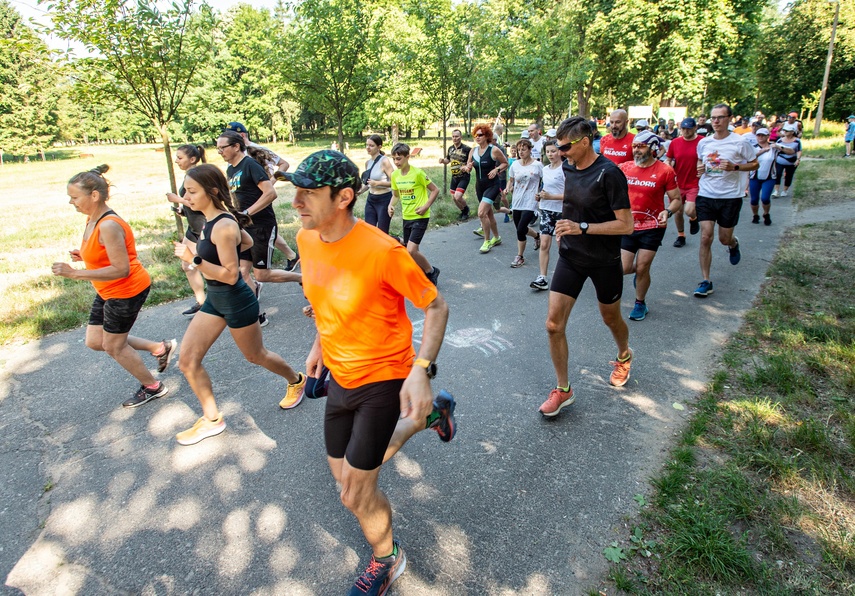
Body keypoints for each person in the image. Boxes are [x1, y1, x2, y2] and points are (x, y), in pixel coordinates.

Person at [282, 150, 454, 596]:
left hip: (384, 379)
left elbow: (435, 306)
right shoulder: (306, 238)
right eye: (294, 191)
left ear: (343, 196)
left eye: (308, 193)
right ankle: (426, 417)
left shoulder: (383, 251)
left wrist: (421, 369)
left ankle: (388, 559)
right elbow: (323, 297)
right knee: (344, 477)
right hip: (340, 376)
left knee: (353, 495)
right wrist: (319, 342)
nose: (296, 201)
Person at [171, 165, 307, 445]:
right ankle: (211, 420)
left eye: (192, 191)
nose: (187, 196)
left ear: (212, 191)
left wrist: (194, 257)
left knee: (256, 355)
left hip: (235, 299)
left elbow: (231, 276)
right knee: (187, 361)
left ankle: (297, 380)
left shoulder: (222, 225)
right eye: (186, 190)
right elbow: (245, 240)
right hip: (215, 300)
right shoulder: (212, 220)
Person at [52, 165, 177, 409]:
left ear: (94, 196)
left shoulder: (108, 224)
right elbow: (106, 254)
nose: (71, 202)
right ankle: (159, 348)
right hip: (107, 290)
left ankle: (153, 386)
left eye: (74, 197)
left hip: (126, 290)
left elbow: (122, 269)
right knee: (94, 341)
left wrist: (74, 273)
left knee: (113, 345)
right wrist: (85, 256)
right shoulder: (93, 218)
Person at [540, 117, 634, 418]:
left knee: (610, 317)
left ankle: (624, 355)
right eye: (558, 146)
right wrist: (563, 229)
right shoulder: (569, 167)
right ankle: (563, 389)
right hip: (572, 255)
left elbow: (626, 225)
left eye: (565, 146)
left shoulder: (610, 174)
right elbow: (573, 201)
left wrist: (581, 226)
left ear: (584, 142)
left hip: (604, 260)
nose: (561, 151)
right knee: (553, 324)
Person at [218, 131, 301, 327]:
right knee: (242, 270)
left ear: (236, 147)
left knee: (262, 274)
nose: (219, 151)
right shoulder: (231, 169)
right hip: (245, 228)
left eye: (223, 147)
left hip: (261, 226)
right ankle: (257, 314)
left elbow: (270, 193)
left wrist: (247, 212)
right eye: (218, 148)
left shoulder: (250, 165)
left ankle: (303, 278)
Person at [693, 103, 758, 298]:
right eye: (713, 118)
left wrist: (735, 167)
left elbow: (755, 163)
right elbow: (699, 160)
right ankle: (706, 280)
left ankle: (733, 244)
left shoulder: (740, 142)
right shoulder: (704, 142)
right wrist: (700, 169)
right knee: (705, 237)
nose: (716, 121)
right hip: (706, 194)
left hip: (730, 196)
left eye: (720, 117)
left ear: (729, 119)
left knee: (723, 238)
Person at [618, 131, 681, 321]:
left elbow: (676, 199)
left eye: (641, 146)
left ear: (653, 148)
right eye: (634, 146)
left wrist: (668, 211)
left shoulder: (665, 171)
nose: (636, 150)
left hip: (652, 225)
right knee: (624, 267)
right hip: (628, 225)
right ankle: (641, 275)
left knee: (643, 265)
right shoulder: (624, 168)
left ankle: (640, 302)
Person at [225, 121, 300, 269]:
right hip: (245, 202)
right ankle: (292, 256)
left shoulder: (256, 150)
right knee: (261, 232)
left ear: (241, 136)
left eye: (229, 136)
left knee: (263, 228)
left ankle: (290, 258)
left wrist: (270, 182)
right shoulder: (232, 156)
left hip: (261, 197)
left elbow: (283, 164)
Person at [388, 143, 441, 285]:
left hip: (420, 216)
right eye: (394, 159)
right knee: (411, 250)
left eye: (399, 158)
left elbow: (435, 190)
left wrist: (425, 206)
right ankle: (421, 273)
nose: (396, 162)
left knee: (411, 250)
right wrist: (390, 206)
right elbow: (395, 195)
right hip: (407, 216)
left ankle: (431, 271)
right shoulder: (395, 175)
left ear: (408, 157)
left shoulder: (418, 173)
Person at [166, 144, 208, 317]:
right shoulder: (188, 176)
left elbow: (201, 201)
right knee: (187, 265)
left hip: (205, 227)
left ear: (192, 159)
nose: (176, 161)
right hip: (193, 228)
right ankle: (202, 302)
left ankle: (241, 291)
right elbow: (191, 205)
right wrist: (183, 211)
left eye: (180, 157)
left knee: (207, 265)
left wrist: (177, 199)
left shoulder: (198, 176)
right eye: (176, 157)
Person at [461, 124, 509, 253]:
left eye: (480, 135)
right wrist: (467, 168)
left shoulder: (493, 150)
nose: (477, 137)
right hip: (479, 186)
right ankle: (497, 237)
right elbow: (468, 166)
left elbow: (505, 163)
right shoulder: (473, 151)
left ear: (487, 136)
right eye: (475, 135)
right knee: (489, 214)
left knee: (481, 212)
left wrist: (496, 169)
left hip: (493, 185)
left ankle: (487, 241)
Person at [503, 138, 542, 268]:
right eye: (519, 150)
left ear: (530, 150)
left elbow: (545, 181)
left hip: (531, 201)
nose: (521, 152)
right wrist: (508, 187)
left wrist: (542, 193)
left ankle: (519, 256)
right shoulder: (515, 165)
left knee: (520, 229)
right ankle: (537, 236)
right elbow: (511, 180)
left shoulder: (537, 165)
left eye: (524, 149)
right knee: (521, 228)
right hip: (517, 201)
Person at [530, 140, 564, 291]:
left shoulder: (566, 169)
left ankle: (565, 275)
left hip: (562, 211)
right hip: (546, 210)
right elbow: (545, 188)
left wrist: (551, 196)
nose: (550, 154)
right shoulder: (545, 169)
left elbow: (572, 194)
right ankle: (542, 277)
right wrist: (540, 195)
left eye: (554, 151)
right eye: (548, 152)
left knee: (561, 245)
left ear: (560, 152)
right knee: (544, 244)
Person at [666, 118, 702, 247]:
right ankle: (681, 235)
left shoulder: (702, 141)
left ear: (695, 128)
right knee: (678, 211)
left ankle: (693, 218)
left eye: (689, 128)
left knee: (689, 210)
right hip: (678, 182)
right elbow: (668, 159)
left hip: (694, 182)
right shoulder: (675, 142)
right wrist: (668, 166)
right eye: (683, 128)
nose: (686, 131)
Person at [357, 134, 395, 233]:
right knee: (370, 232)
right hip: (371, 200)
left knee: (382, 233)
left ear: (379, 147)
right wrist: (359, 192)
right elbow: (368, 183)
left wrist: (378, 183)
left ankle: (400, 241)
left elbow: (395, 182)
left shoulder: (384, 161)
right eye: (367, 145)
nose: (368, 148)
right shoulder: (367, 163)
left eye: (371, 145)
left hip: (384, 200)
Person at [438, 129, 472, 220]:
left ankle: (466, 209)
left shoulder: (467, 149)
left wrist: (467, 167)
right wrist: (442, 161)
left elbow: (471, 163)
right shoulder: (450, 148)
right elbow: (447, 160)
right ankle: (463, 212)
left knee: (458, 196)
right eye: (453, 136)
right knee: (454, 198)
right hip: (454, 177)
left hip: (464, 176)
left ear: (461, 137)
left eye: (457, 136)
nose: (455, 138)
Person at [748, 128, 777, 226]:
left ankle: (766, 213)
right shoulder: (753, 147)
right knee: (754, 199)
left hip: (769, 177)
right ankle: (755, 215)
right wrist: (763, 151)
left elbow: (791, 151)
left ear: (767, 136)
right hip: (754, 177)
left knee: (765, 198)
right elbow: (749, 158)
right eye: (758, 135)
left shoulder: (773, 147)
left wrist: (779, 147)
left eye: (763, 135)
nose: (760, 137)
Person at [772, 124, 802, 198]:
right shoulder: (780, 140)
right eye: (784, 130)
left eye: (787, 131)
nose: (785, 132)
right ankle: (776, 191)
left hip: (791, 161)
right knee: (778, 174)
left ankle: (785, 190)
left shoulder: (797, 141)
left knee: (789, 175)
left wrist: (798, 159)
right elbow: (775, 150)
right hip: (780, 160)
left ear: (792, 132)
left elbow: (799, 150)